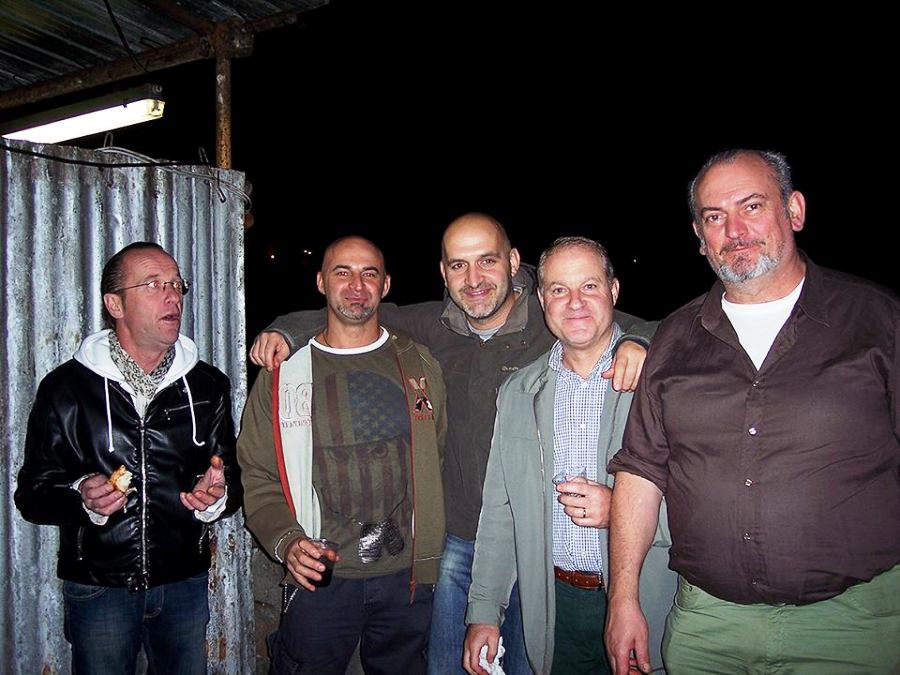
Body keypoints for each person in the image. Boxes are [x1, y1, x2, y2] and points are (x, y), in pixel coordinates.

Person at [249, 213, 653, 674]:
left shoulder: (556, 317)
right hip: (457, 540)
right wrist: (286, 330)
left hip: (537, 539)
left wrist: (639, 341)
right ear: (443, 273)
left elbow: (652, 327)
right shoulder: (432, 326)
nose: (474, 279)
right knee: (447, 664)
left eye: (487, 261)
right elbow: (356, 309)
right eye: (459, 265)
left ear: (513, 262)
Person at [605, 149, 900, 675]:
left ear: (795, 210)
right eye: (715, 216)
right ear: (700, 236)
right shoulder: (673, 338)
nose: (735, 230)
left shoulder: (878, 320)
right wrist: (622, 599)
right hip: (706, 625)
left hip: (854, 625)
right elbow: (640, 471)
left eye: (752, 206)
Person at [15, 241, 242, 675]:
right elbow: (32, 494)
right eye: (153, 285)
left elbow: (230, 481)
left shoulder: (207, 385)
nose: (172, 296)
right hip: (99, 586)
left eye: (176, 284)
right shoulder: (67, 388)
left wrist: (215, 497)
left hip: (183, 582)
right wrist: (82, 495)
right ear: (114, 304)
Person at [462, 237, 674, 675]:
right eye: (559, 289)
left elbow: (709, 498)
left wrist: (624, 511)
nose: (574, 302)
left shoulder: (662, 380)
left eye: (589, 286)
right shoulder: (519, 392)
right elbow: (501, 511)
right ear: (542, 300)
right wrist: (484, 611)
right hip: (554, 607)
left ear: (614, 290)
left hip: (649, 599)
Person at [237, 236, 447, 674]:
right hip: (319, 576)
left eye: (369, 273)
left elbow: (436, 454)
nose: (356, 285)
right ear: (321, 282)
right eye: (342, 272)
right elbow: (258, 472)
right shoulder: (283, 373)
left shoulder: (419, 365)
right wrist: (287, 541)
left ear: (385, 285)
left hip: (406, 576)